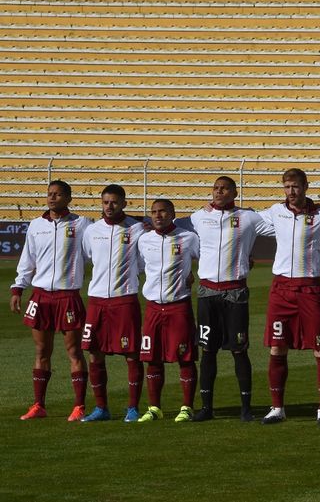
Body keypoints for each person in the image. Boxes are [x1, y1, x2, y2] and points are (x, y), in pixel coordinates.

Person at [178, 176, 273, 422]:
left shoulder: (249, 217)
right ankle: (206, 407)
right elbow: (173, 228)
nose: (219, 192)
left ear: (234, 193)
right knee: (207, 351)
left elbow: (281, 226)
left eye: (224, 189)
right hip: (207, 293)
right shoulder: (199, 216)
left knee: (239, 351)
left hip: (235, 293)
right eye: (216, 188)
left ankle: (246, 409)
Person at [256, 169, 320, 426]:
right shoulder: (276, 212)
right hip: (281, 289)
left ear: (306, 186)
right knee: (277, 347)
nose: (291, 192)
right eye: (287, 187)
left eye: (295, 186)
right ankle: (277, 408)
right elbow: (245, 223)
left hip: (309, 288)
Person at [11, 180, 92, 421]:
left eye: (57, 194)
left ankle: (79, 407)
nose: (52, 198)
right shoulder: (36, 225)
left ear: (68, 198)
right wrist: (18, 288)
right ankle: (39, 405)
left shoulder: (82, 224)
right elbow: (28, 260)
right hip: (42, 295)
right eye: (49, 194)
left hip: (68, 295)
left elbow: (99, 245)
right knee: (41, 350)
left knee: (74, 351)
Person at [80, 184, 147, 423]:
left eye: (114, 202)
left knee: (132, 355)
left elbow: (143, 260)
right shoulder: (91, 231)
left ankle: (132, 408)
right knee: (94, 354)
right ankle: (101, 408)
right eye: (106, 202)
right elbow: (89, 257)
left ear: (124, 203)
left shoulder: (137, 228)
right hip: (97, 300)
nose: (110, 207)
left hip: (125, 299)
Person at [136, 199, 200, 423]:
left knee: (185, 357)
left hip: (179, 306)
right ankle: (154, 408)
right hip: (153, 307)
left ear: (172, 213)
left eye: (162, 211)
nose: (157, 215)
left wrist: (191, 275)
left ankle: (187, 407)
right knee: (152, 358)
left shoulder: (188, 238)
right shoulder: (144, 240)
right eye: (153, 212)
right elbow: (142, 267)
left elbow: (207, 259)